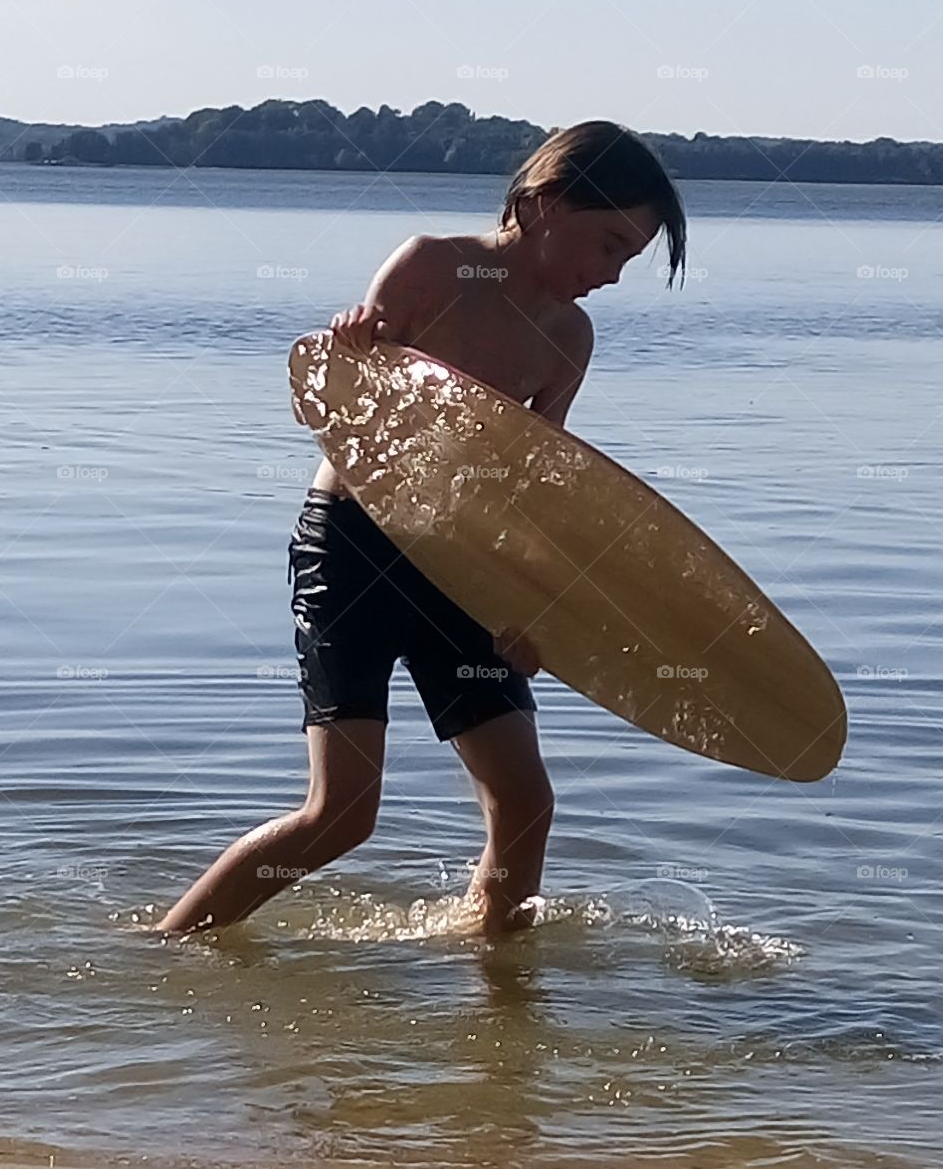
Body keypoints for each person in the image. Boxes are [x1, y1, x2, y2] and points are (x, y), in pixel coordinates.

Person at [157, 120, 686, 938]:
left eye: (629, 257)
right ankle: (172, 943)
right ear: (547, 202)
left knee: (526, 803)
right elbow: (339, 410)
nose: (612, 274)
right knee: (342, 814)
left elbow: (533, 493)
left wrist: (536, 615)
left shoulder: (568, 339)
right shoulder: (432, 267)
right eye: (610, 243)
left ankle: (498, 997)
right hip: (353, 548)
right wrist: (349, 348)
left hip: (466, 570)